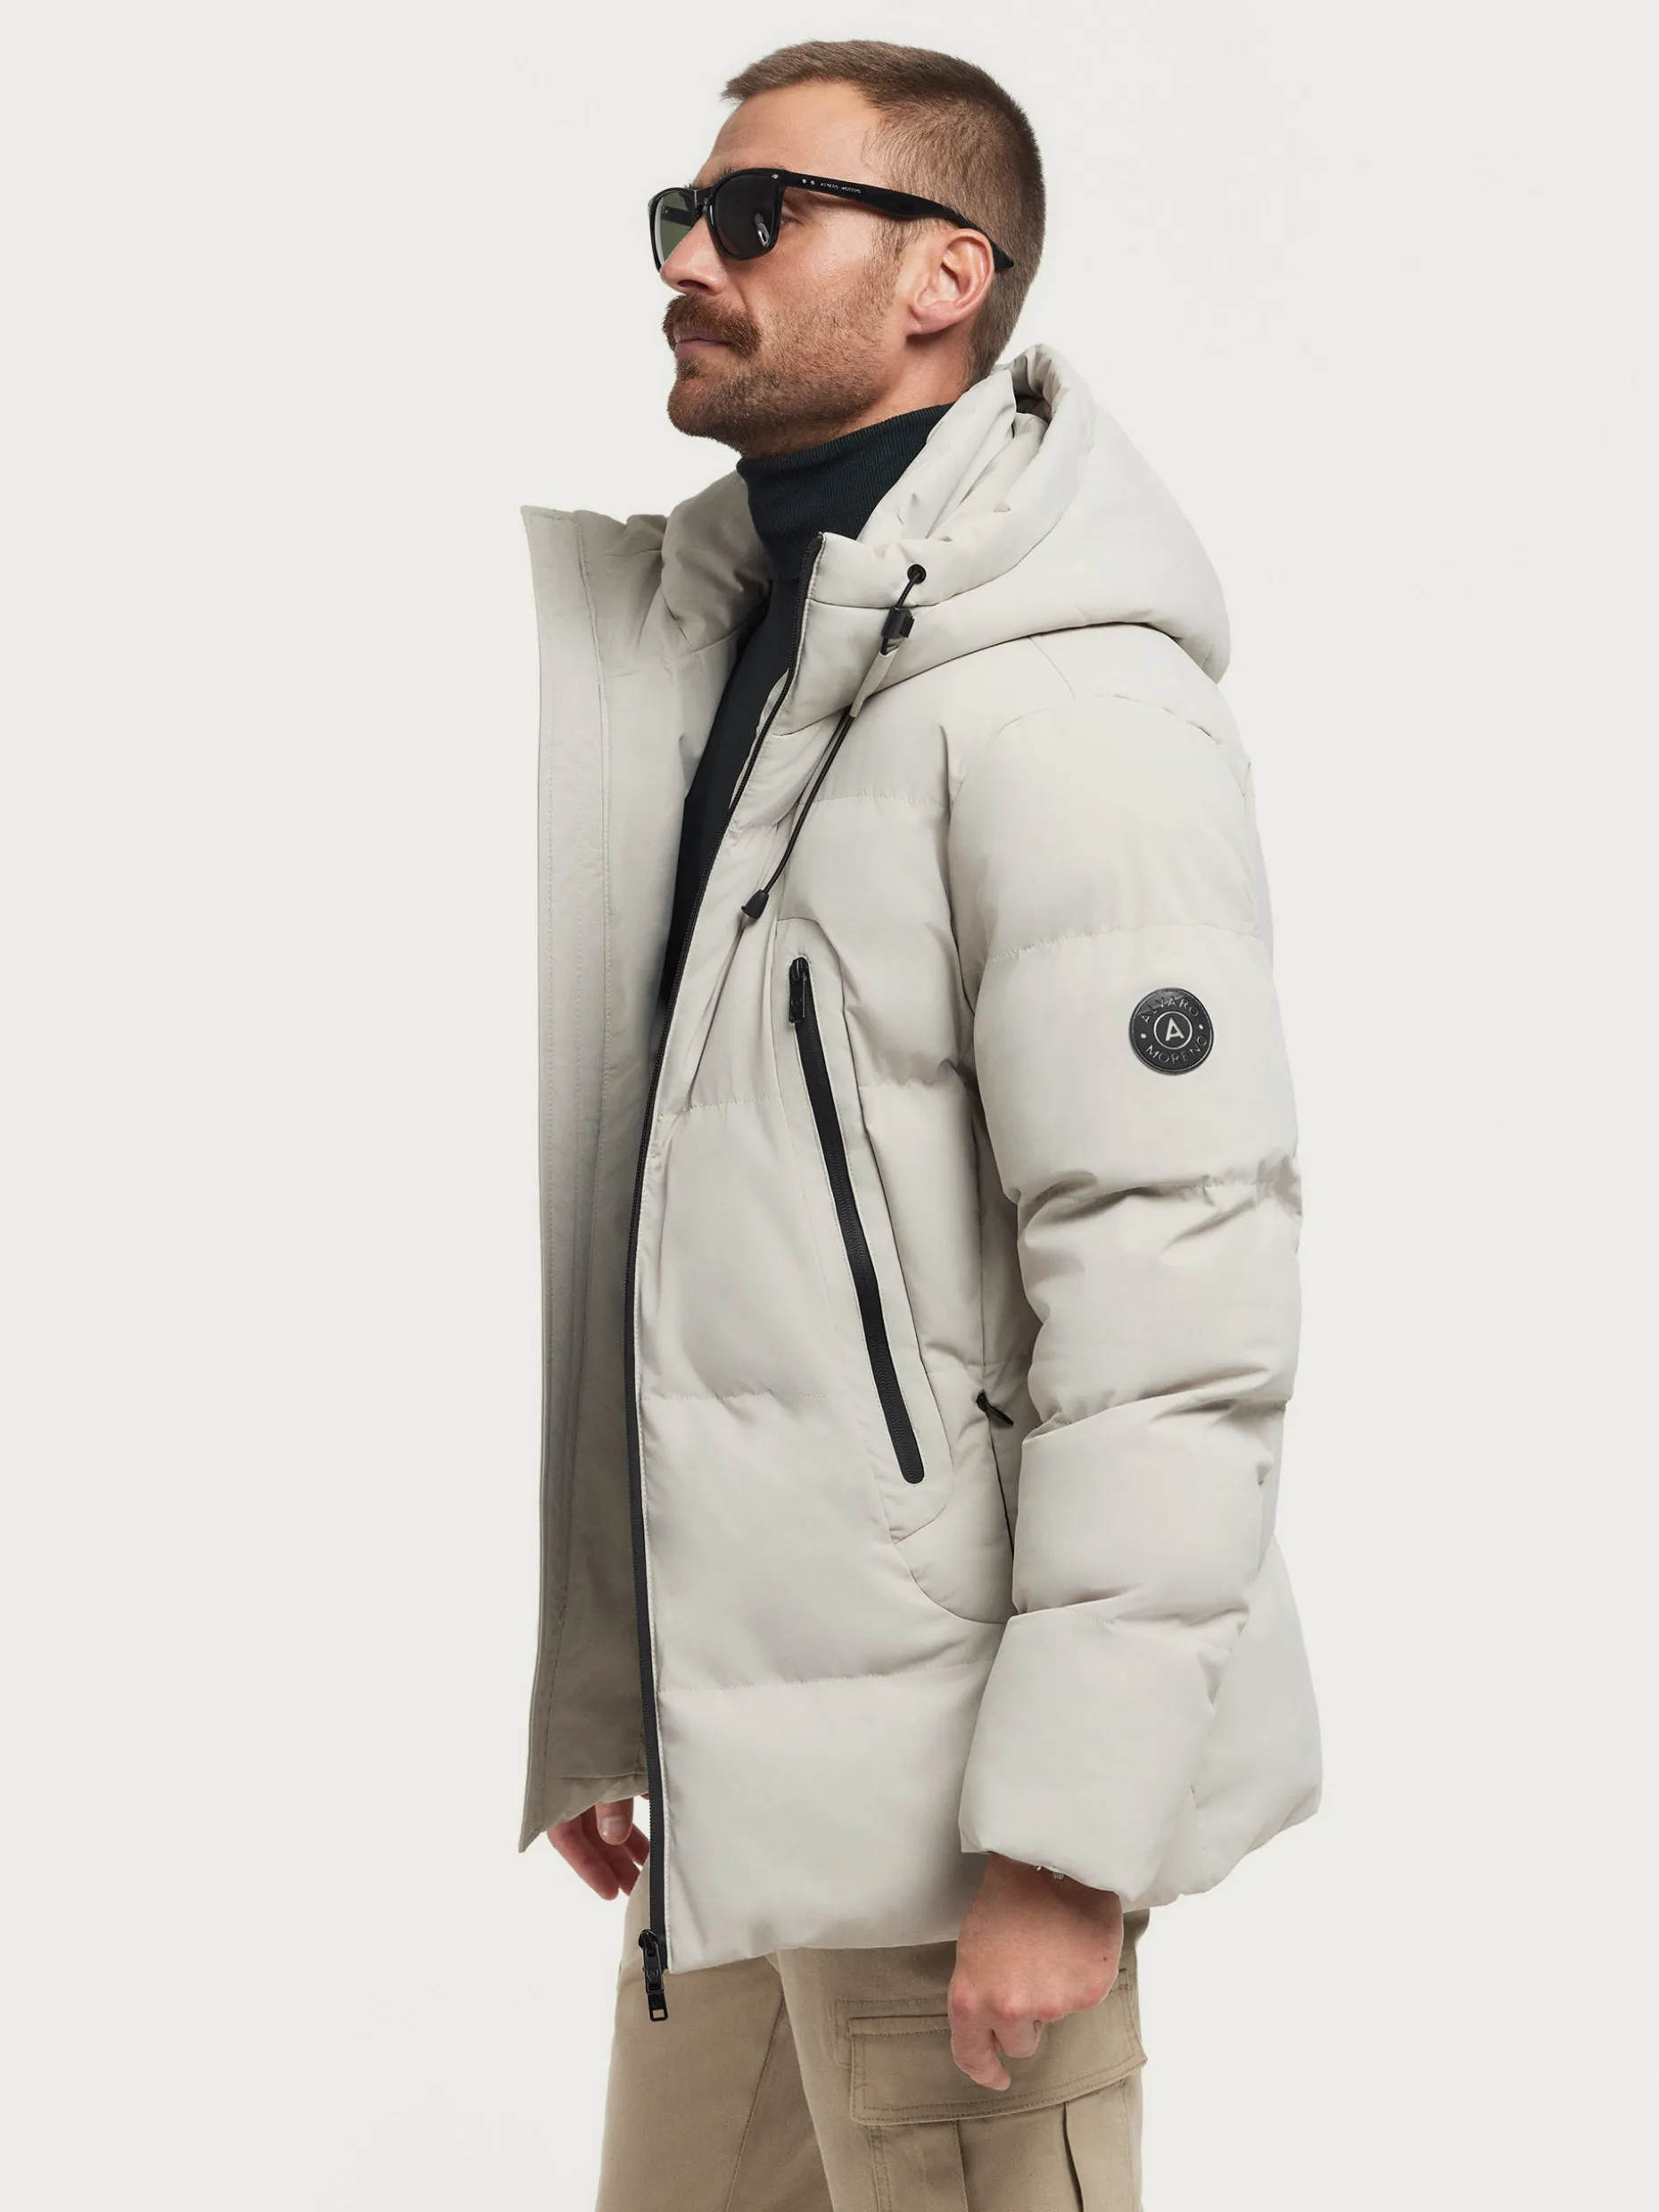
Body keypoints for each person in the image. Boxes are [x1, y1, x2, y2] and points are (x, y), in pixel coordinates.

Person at [517, 38, 1322, 2211]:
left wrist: (1068, 1839)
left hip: (961, 1819)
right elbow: (707, 1233)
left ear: (947, 274)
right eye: (679, 218)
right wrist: (625, 1679)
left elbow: (1175, 1298)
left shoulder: (1067, 702)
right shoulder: (757, 650)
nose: (688, 261)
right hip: (745, 1785)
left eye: (753, 216)